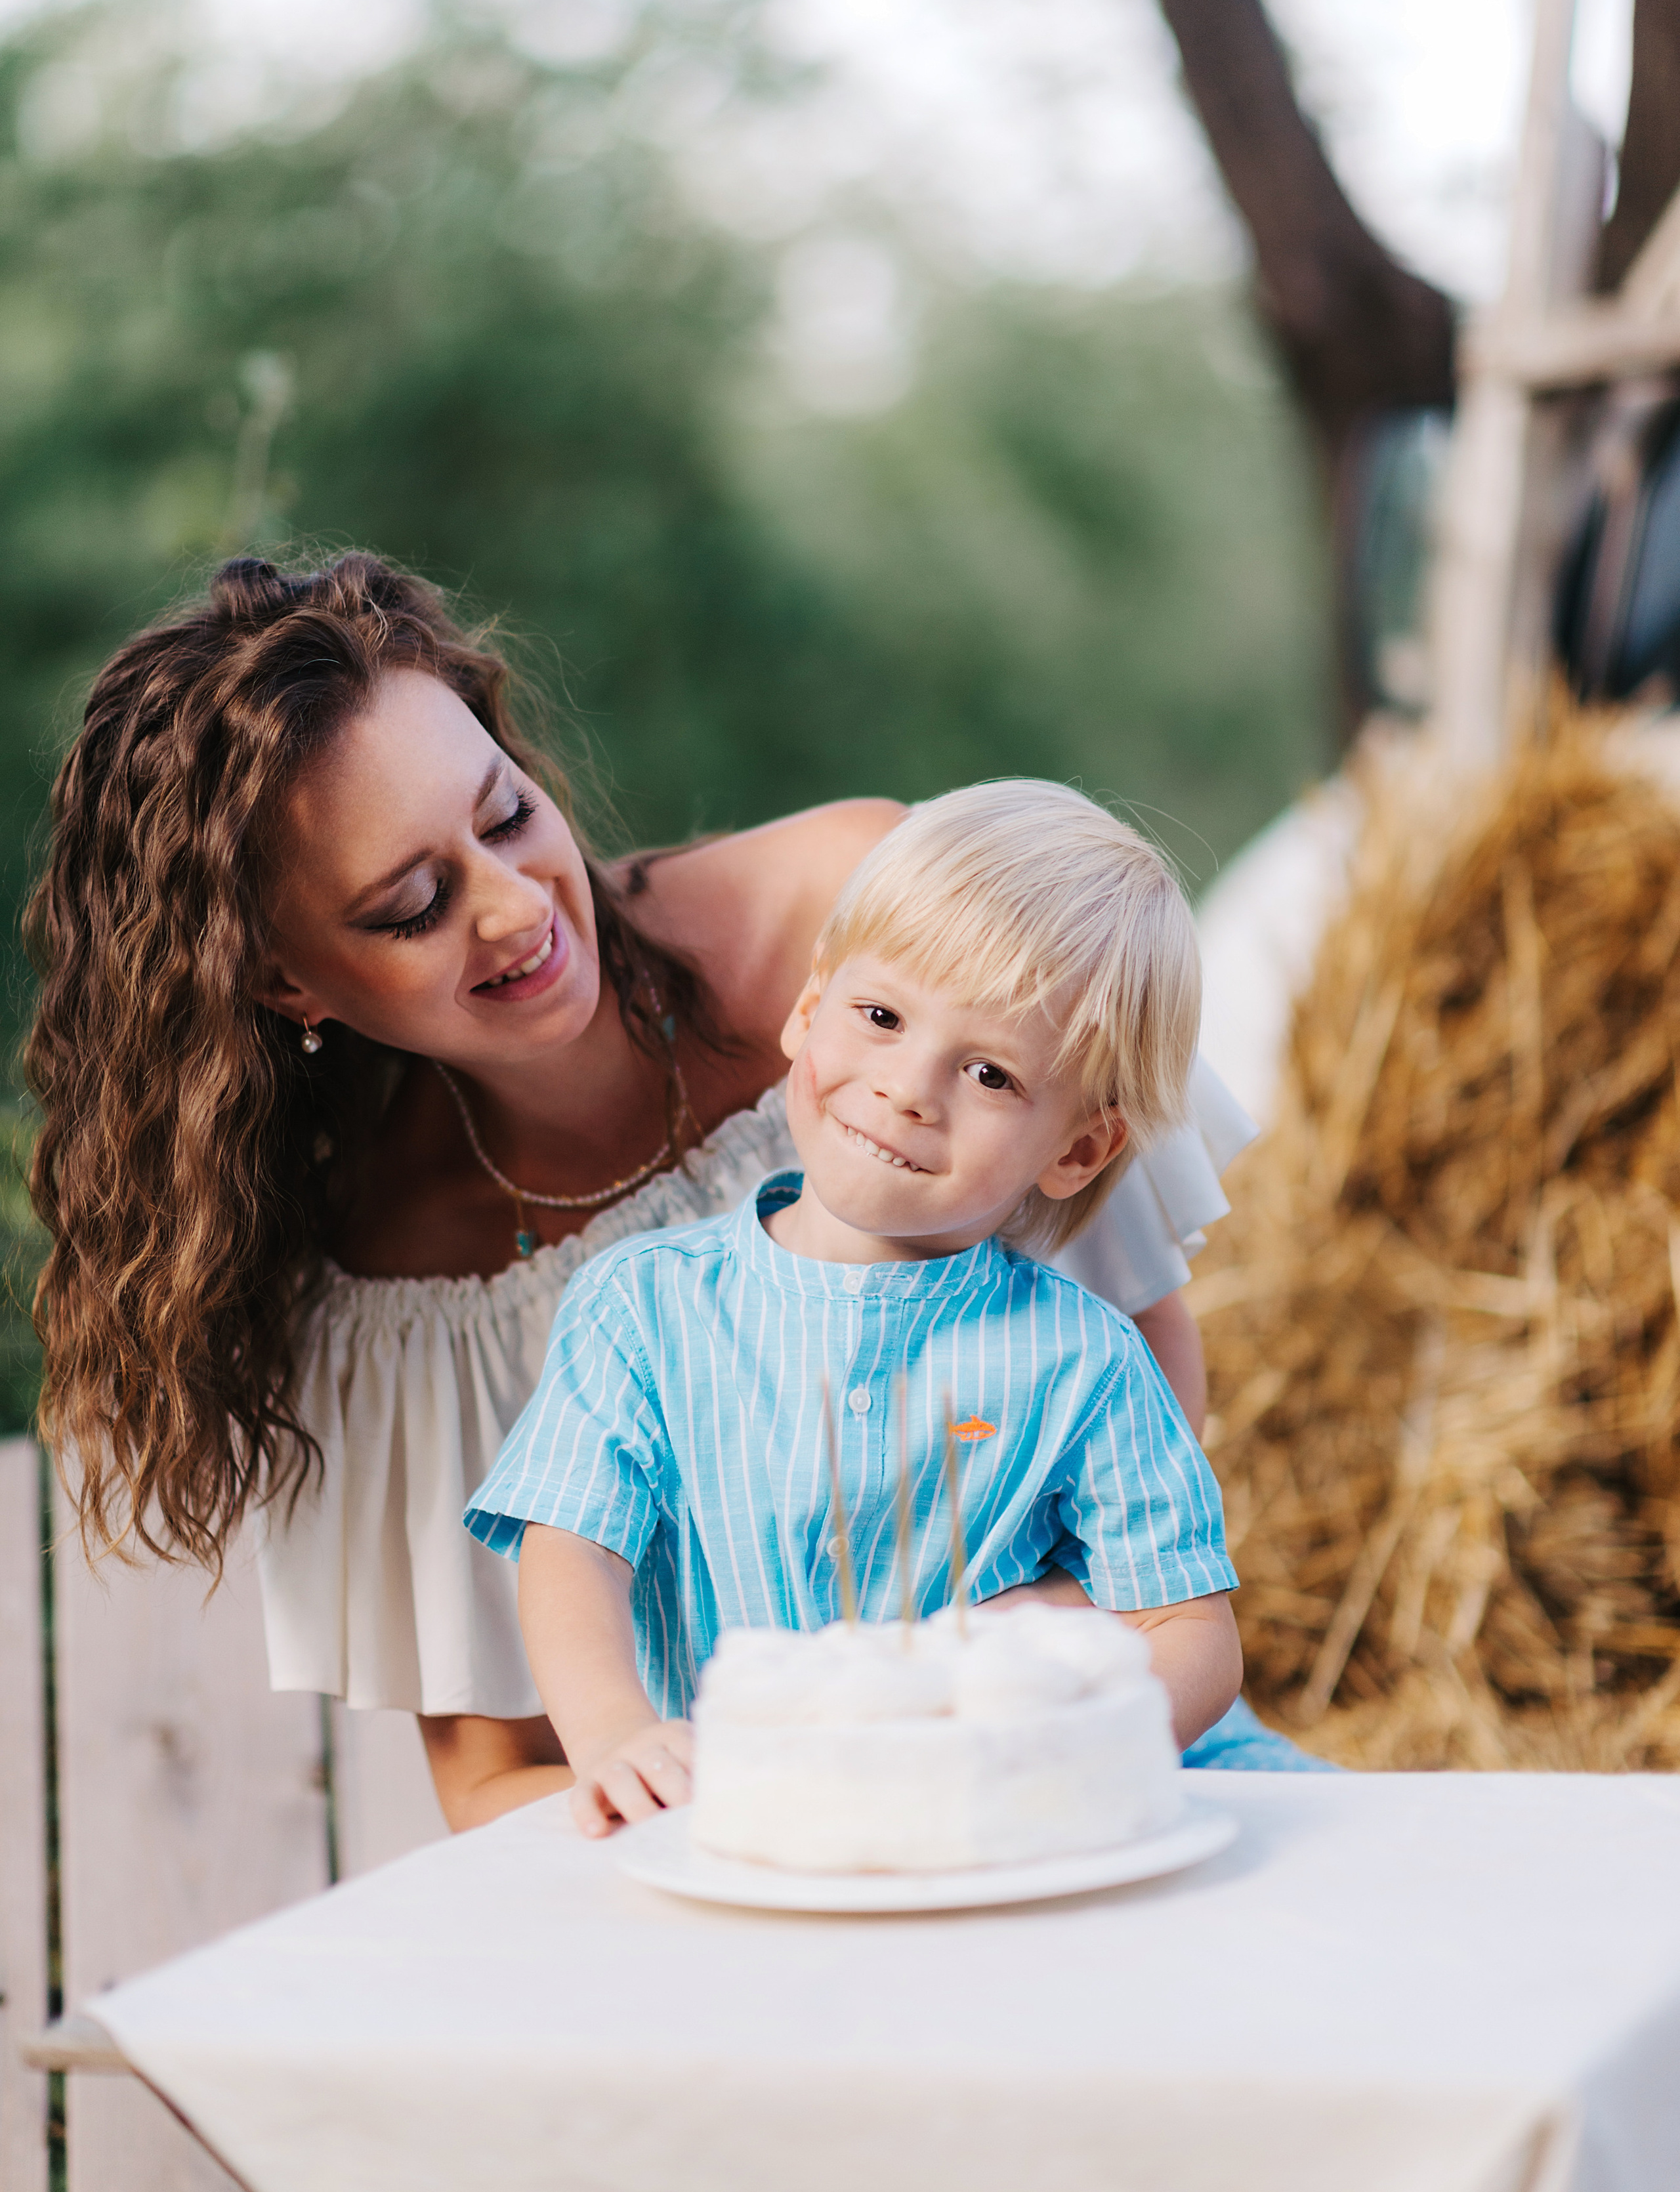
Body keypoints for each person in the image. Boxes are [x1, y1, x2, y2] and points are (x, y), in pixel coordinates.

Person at [24, 553, 1279, 1836]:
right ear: (290, 985)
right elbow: (494, 1778)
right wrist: (814, 1763)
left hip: (1060, 1764)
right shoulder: (402, 1293)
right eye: (413, 904)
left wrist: (1026, 1668)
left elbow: (1143, 1369)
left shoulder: (875, 926)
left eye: (506, 815)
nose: (516, 908)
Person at [465, 782, 1242, 1833]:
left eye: (991, 1073)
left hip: (1001, 1828)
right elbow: (573, 1549)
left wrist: (1068, 1753)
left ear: (1079, 1150)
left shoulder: (1083, 1358)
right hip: (760, 1822)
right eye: (880, 1017)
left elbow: (1191, 1631)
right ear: (807, 1009)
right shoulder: (642, 1308)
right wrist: (613, 1733)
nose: (910, 1088)